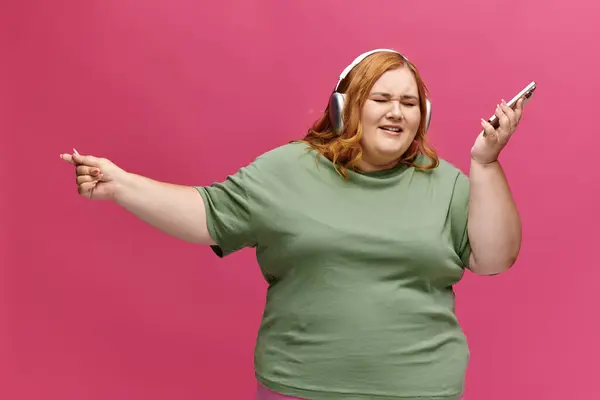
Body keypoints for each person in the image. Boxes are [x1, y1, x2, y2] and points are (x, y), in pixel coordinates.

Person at [60, 49, 525, 400]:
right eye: (381, 98)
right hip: (299, 388)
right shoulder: (287, 170)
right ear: (346, 107)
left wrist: (485, 164)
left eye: (409, 101)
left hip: (423, 390)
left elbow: (494, 257)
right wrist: (121, 185)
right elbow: (207, 215)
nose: (397, 111)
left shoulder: (448, 184)